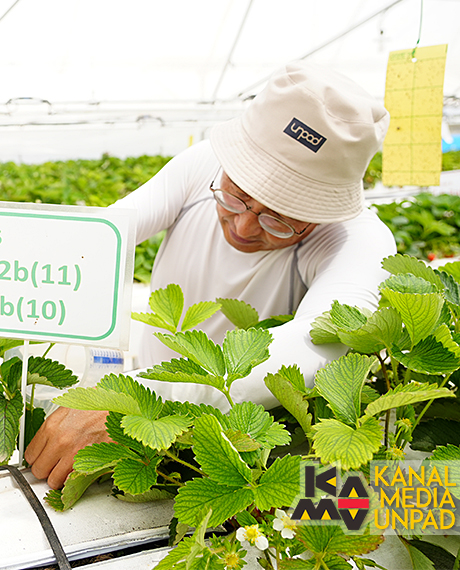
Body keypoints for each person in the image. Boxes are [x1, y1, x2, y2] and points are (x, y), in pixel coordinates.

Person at [25, 61, 397, 489]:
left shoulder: (357, 241)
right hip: (148, 395)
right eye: (234, 197)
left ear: (324, 211)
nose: (242, 228)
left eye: (279, 221)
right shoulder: (204, 163)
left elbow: (312, 349)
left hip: (235, 447)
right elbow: (104, 235)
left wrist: (132, 405)